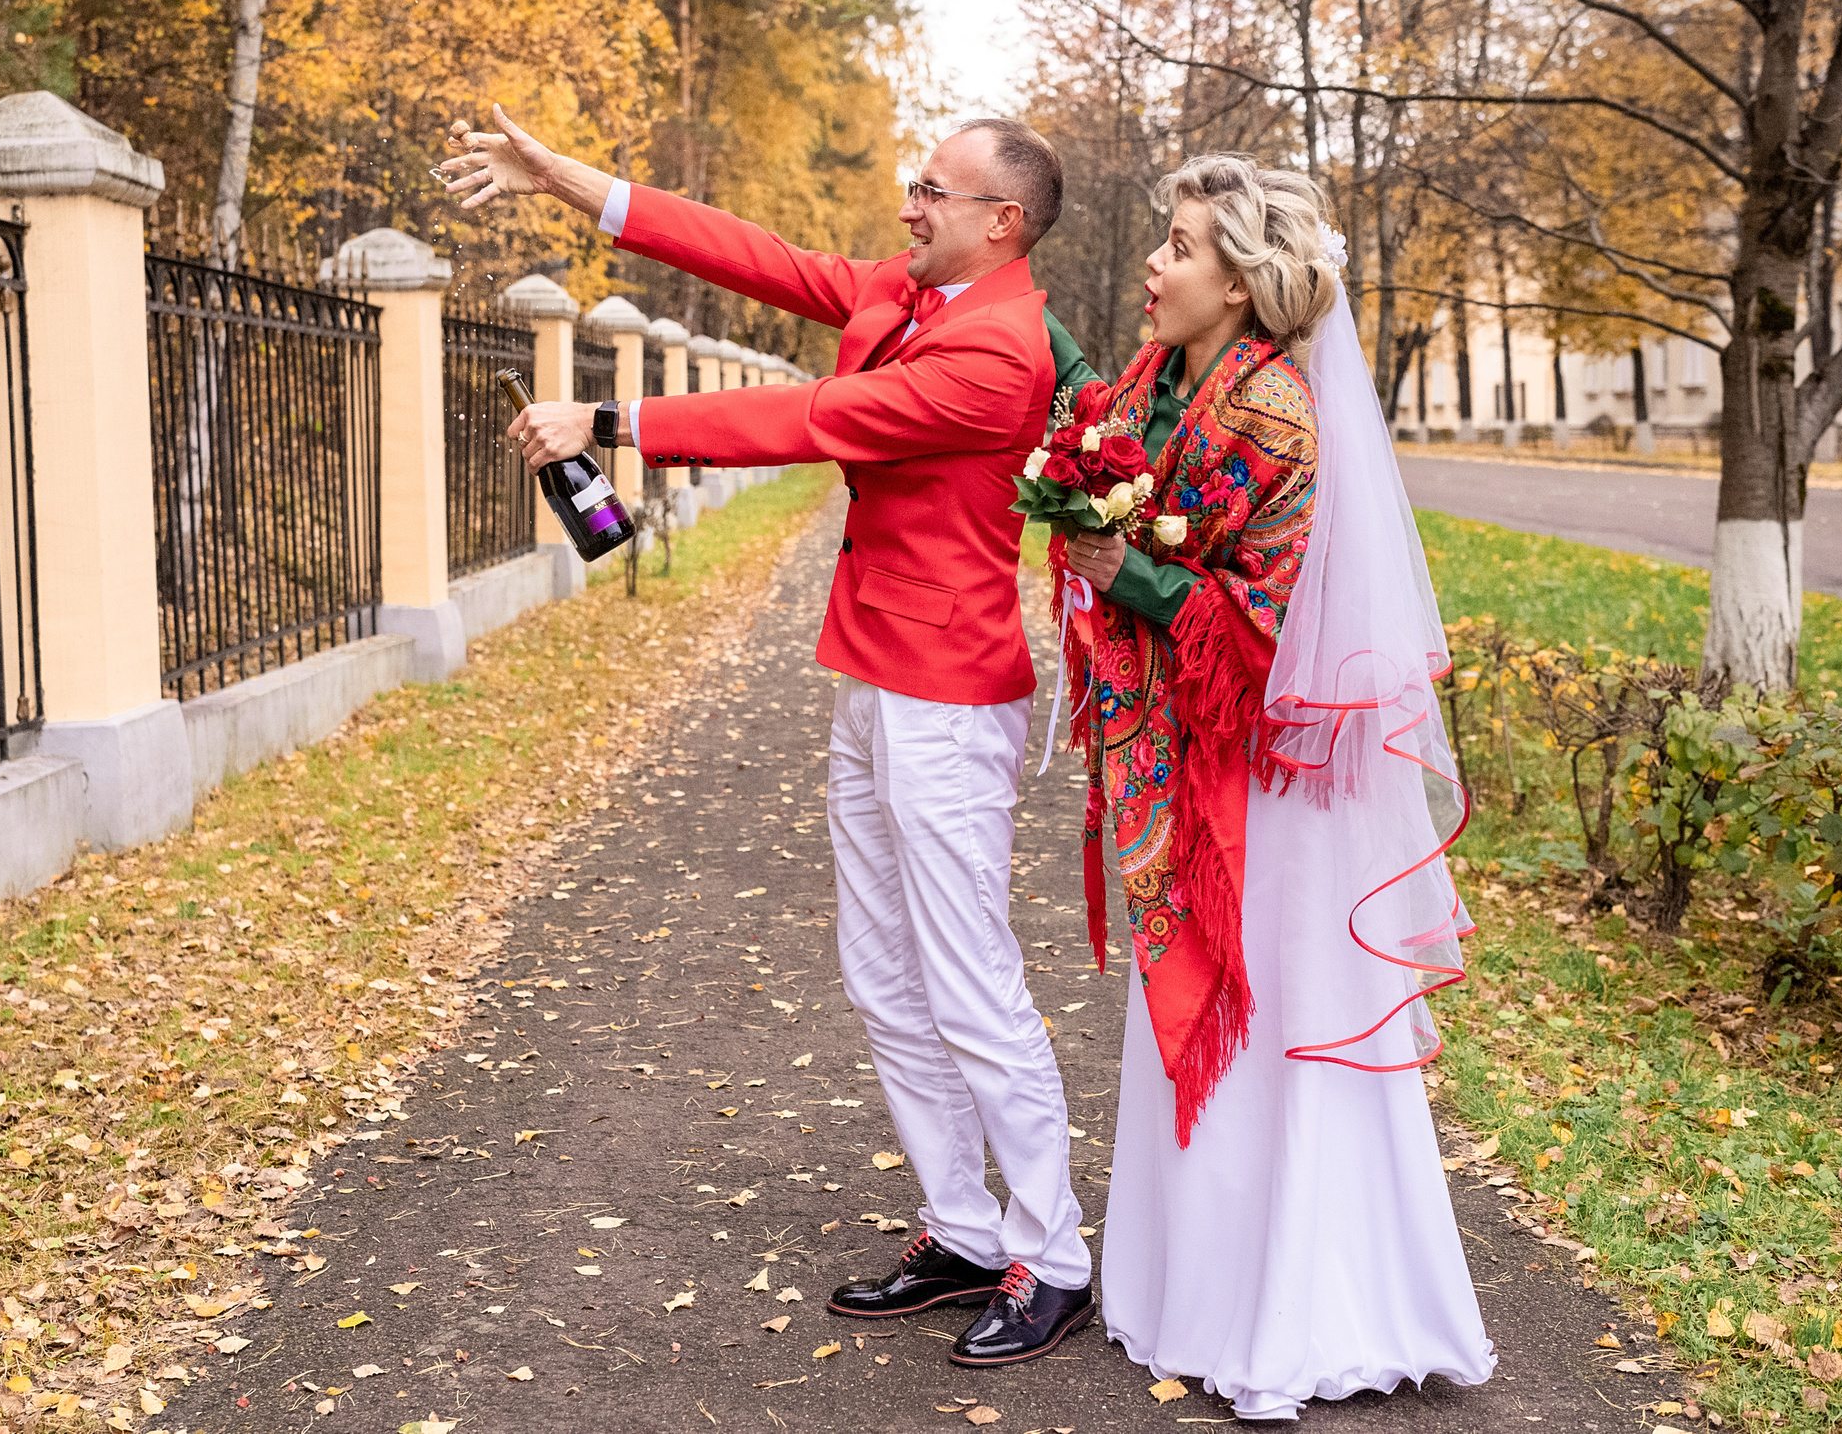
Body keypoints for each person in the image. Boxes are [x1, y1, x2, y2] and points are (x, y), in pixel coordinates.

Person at [437, 106, 1096, 1367]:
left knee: (969, 983)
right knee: (884, 975)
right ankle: (961, 1228)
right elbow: (745, 254)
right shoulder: (913, 296)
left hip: (951, 695)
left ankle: (1051, 1254)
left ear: (999, 223)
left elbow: (813, 421)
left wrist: (611, 427)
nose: (909, 206)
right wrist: (555, 177)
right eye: (913, 184)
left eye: (934, 193)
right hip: (874, 672)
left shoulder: (999, 349)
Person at [1052, 154, 1494, 1416]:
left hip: (1271, 784)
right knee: (1187, 1009)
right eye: (1162, 241)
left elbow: (1272, 631)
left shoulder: (1281, 418)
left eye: (1180, 248)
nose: (1154, 264)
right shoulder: (1148, 387)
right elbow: (1108, 477)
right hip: (1177, 754)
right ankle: (1186, 1292)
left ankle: (1301, 1308)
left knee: (1273, 1022)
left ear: (1243, 284)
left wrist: (1124, 574)